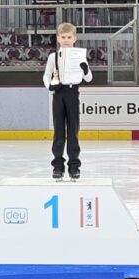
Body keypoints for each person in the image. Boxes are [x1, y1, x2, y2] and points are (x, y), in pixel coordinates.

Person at [42, 21, 92, 180]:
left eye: (69, 37)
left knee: (73, 130)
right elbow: (46, 75)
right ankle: (57, 166)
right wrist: (49, 86)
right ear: (58, 38)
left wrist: (85, 69)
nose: (66, 40)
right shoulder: (53, 57)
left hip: (72, 93)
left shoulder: (80, 56)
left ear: (74, 38)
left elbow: (89, 78)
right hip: (58, 93)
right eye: (63, 37)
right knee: (58, 131)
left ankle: (74, 166)